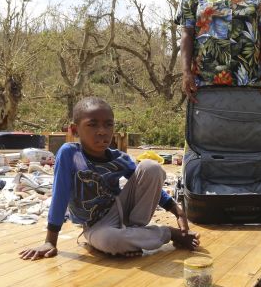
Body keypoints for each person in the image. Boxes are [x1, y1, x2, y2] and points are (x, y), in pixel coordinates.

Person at [19, 97, 200, 260]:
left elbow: (148, 182)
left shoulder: (119, 158)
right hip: (96, 227)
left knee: (151, 167)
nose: (102, 131)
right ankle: (168, 234)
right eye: (92, 125)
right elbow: (60, 195)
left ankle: (135, 234)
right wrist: (51, 241)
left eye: (108, 125)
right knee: (110, 240)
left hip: (123, 211)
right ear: (75, 130)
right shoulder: (70, 154)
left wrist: (178, 211)